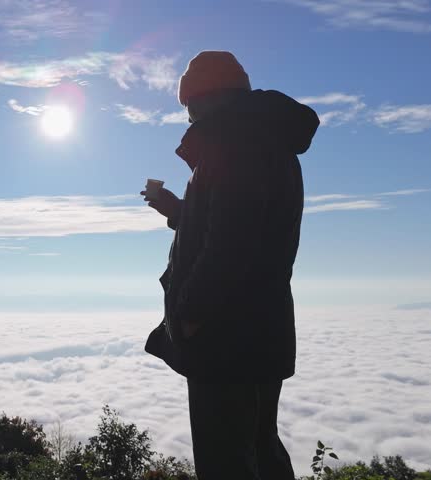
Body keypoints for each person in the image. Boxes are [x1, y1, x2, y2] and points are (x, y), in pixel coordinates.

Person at [141, 51, 319, 479]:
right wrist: (177, 211)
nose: (188, 118)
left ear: (207, 98)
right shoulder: (263, 142)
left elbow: (229, 246)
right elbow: (234, 226)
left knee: (226, 460)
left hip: (225, 337)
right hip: (260, 329)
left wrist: (190, 315)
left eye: (190, 106)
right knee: (258, 447)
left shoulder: (236, 146)